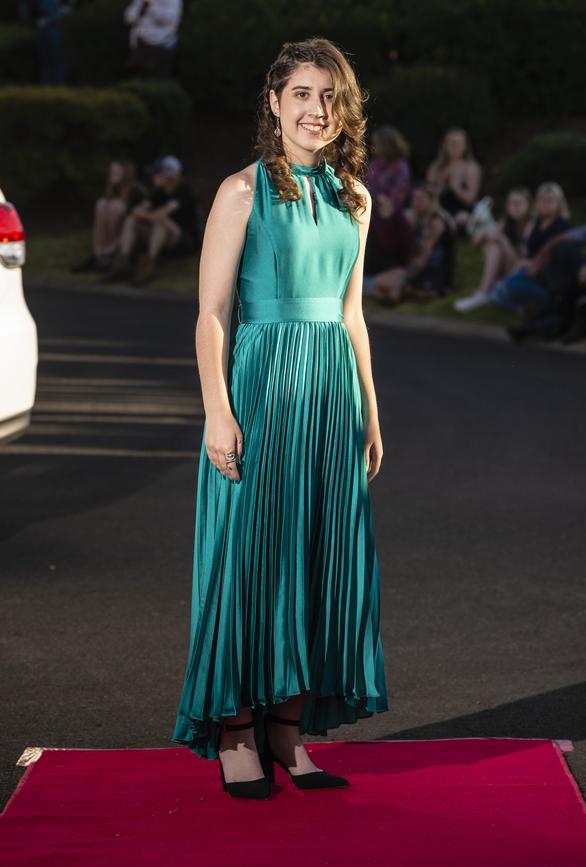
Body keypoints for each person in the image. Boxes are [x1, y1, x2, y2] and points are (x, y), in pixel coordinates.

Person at [170, 38, 388, 800]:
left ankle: (288, 735)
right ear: (274, 101)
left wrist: (369, 411)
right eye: (302, 93)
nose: (316, 109)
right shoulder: (241, 191)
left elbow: (354, 315)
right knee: (249, 561)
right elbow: (210, 313)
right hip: (259, 393)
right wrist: (216, 412)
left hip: (330, 395)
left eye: (329, 96)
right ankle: (235, 730)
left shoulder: (355, 197)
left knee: (317, 557)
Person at [506, 188, 586, 341]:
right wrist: (539, 260)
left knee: (568, 280)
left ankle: (546, 321)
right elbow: (561, 239)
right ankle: (542, 319)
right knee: (562, 252)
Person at [103, 155, 199, 285]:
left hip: (182, 240)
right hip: (159, 235)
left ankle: (148, 265)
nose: (153, 177)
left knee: (161, 222)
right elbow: (137, 210)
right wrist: (146, 215)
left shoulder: (184, 190)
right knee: (131, 221)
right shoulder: (159, 192)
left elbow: (162, 214)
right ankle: (123, 262)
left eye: (157, 173)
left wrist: (147, 215)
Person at [490, 182, 571, 315]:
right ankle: (526, 306)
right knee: (500, 291)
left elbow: (557, 258)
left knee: (507, 287)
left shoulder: (562, 227)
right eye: (542, 199)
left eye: (550, 200)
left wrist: (529, 263)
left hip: (547, 278)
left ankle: (542, 304)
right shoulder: (536, 224)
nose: (545, 203)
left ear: (559, 203)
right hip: (531, 273)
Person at [455, 187, 533, 312]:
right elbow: (475, 243)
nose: (514, 207)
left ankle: (484, 292)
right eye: (511, 203)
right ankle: (484, 292)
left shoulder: (531, 226)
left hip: (522, 269)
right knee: (492, 244)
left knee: (497, 240)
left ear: (528, 205)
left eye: (518, 203)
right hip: (509, 267)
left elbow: (522, 260)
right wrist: (482, 231)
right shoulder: (506, 222)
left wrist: (501, 239)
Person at [71, 159, 147, 273]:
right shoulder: (114, 190)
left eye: (117, 172)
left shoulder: (137, 192)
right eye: (112, 172)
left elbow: (133, 219)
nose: (113, 175)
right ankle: (99, 251)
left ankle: (110, 252)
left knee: (116, 206)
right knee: (101, 203)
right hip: (109, 239)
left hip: (129, 237)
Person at [425, 128, 482, 234]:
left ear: (465, 146)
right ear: (444, 145)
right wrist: (442, 184)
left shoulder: (471, 167)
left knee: (462, 219)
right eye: (451, 143)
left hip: (461, 210)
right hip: (438, 208)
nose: (454, 146)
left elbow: (470, 199)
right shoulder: (435, 168)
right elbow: (427, 194)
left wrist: (455, 187)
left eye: (458, 143)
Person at [124, 0, 183, 78]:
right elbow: (129, 18)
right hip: (140, 43)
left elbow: (169, 19)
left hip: (161, 45)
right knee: (136, 76)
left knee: (156, 79)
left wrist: (151, 7)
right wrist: (141, 8)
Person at [366, 125, 412, 210]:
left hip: (391, 211)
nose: (373, 147)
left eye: (376, 144)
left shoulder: (400, 167)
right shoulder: (374, 164)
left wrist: (384, 200)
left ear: (386, 145)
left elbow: (400, 192)